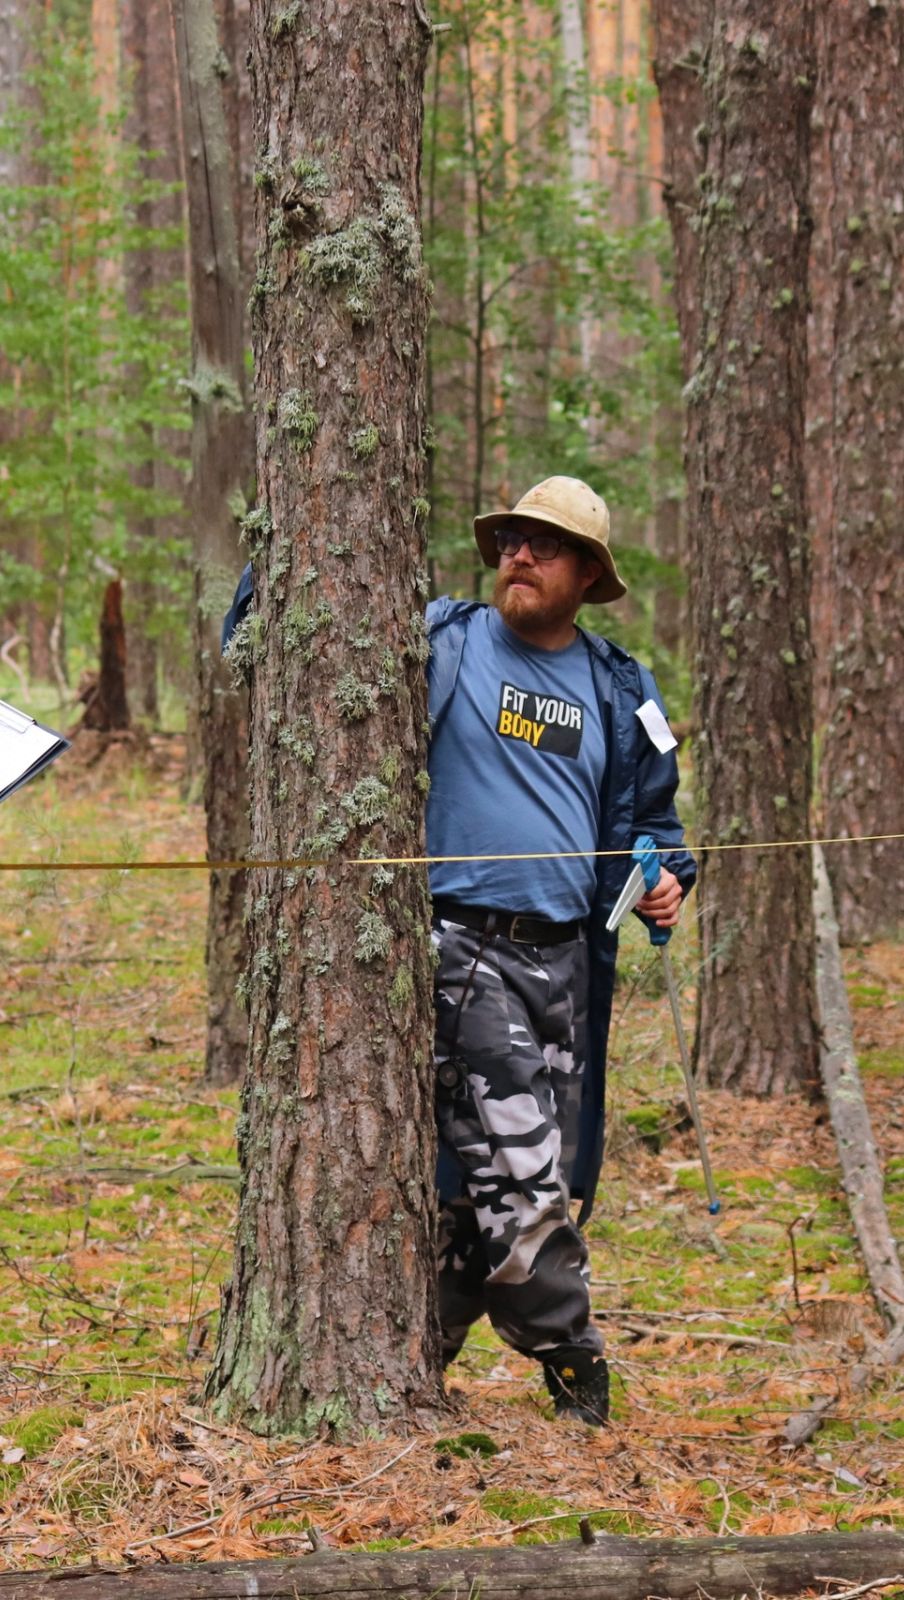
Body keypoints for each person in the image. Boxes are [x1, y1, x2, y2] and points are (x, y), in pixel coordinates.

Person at [224, 475, 694, 1427]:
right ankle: (576, 1365)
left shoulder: (618, 685)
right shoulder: (443, 637)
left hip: (567, 965)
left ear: (589, 573)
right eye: (512, 538)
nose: (521, 554)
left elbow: (656, 818)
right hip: (459, 948)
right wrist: (279, 535)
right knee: (521, 1173)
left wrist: (667, 875)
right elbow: (267, 640)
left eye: (547, 545)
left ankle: (407, 1359)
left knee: (490, 1181)